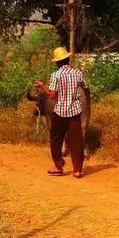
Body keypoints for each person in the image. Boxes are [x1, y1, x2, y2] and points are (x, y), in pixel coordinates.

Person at [34, 46, 88, 178]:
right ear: (68, 59)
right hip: (75, 112)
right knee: (77, 140)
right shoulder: (78, 73)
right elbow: (86, 89)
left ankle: (58, 166)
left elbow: (52, 96)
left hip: (60, 112)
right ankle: (77, 170)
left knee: (56, 139)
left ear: (57, 62)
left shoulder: (56, 75)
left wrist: (42, 87)